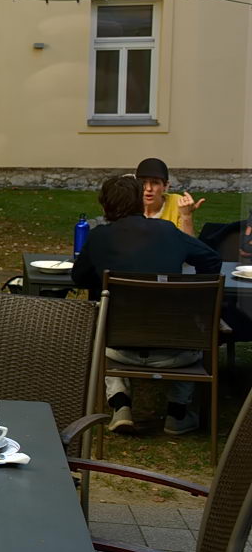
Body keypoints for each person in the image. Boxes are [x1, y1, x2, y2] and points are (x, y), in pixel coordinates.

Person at [71, 175, 221, 436]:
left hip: (117, 349)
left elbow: (79, 278)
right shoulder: (167, 231)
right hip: (178, 350)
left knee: (105, 320)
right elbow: (212, 259)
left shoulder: (99, 237)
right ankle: (177, 412)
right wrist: (192, 290)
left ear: (104, 204)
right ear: (140, 202)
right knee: (189, 326)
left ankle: (120, 403)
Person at [135, 157, 205, 236]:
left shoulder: (177, 203)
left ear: (165, 186)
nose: (149, 188)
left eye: (155, 183)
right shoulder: (129, 204)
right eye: (143, 182)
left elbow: (188, 242)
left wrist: (186, 216)